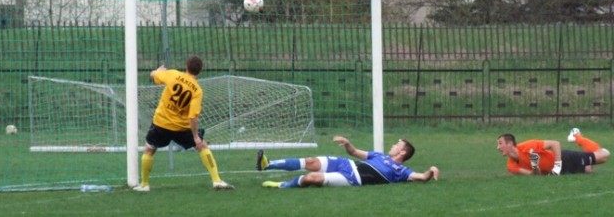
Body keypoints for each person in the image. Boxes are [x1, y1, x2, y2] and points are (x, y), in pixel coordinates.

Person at [133, 56, 234, 191]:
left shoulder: (173, 75)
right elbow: (193, 116)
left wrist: (157, 71)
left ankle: (144, 184)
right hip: (181, 127)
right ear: (201, 70)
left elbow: (154, 75)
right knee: (202, 147)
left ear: (186, 66)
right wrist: (196, 136)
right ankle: (216, 180)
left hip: (161, 123)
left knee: (149, 150)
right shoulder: (197, 90)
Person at [256, 135, 439, 188]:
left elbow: (422, 177)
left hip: (353, 179)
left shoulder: (403, 170)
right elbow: (354, 152)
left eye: (397, 145)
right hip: (347, 164)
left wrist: (431, 170)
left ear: (403, 152)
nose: (393, 145)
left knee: (313, 178)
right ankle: (268, 163)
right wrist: (348, 143)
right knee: (311, 161)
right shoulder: (379, 155)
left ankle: (282, 185)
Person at [496, 128, 610, 175]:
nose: (498, 147)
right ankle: (582, 144)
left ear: (510, 144)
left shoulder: (528, 145)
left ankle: (576, 136)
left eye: (500, 143)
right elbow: (535, 175)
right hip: (558, 172)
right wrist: (535, 165)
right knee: (589, 169)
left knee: (604, 156)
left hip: (564, 158)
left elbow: (555, 144)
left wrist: (557, 166)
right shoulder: (511, 166)